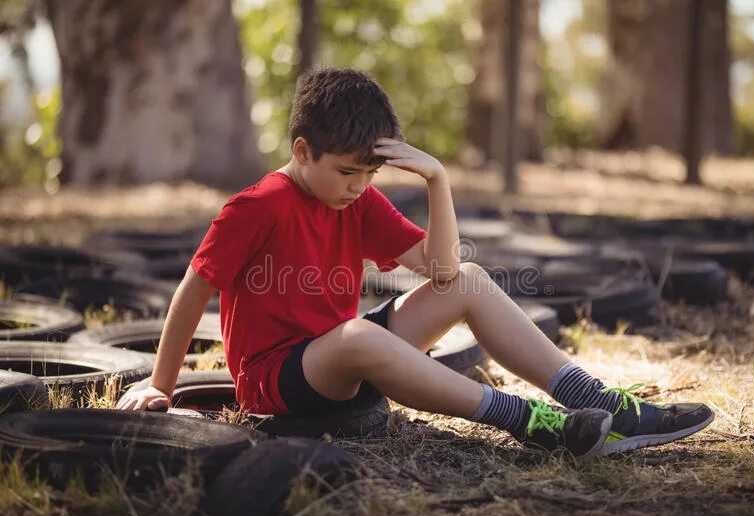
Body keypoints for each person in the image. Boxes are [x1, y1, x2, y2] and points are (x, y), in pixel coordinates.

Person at [116, 68, 714, 457]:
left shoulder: (358, 199)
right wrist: (160, 384)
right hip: (278, 381)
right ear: (302, 150)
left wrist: (438, 179)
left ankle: (608, 407)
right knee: (354, 336)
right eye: (346, 172)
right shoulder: (256, 206)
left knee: (473, 282)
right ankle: (531, 422)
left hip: (340, 350)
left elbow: (446, 274)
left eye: (369, 173)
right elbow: (192, 292)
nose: (357, 186)